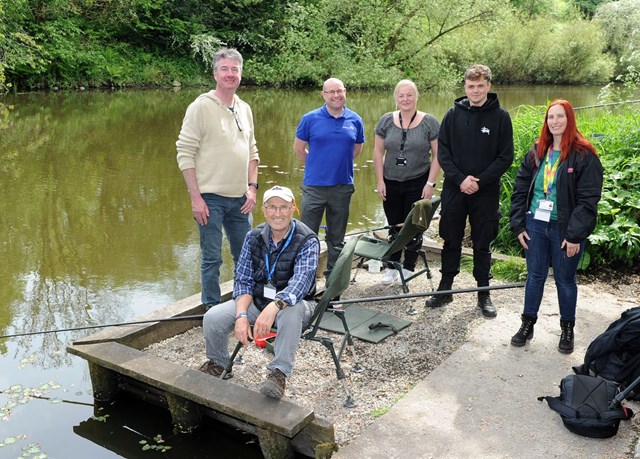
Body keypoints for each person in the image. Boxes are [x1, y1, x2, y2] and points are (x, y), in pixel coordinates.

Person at [200, 185, 319, 399]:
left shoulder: (307, 240)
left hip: (297, 304)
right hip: (258, 300)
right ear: (263, 210)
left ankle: (278, 373)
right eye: (272, 207)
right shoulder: (252, 236)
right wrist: (241, 315)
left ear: (293, 209)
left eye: (283, 207)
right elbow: (243, 280)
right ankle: (219, 363)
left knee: (291, 312)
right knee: (212, 317)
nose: (277, 213)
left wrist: (274, 306)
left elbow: (300, 283)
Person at [509, 100, 603, 353]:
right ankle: (527, 324)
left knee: (565, 280)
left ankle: (567, 329)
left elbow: (588, 200)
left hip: (565, 229)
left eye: (560, 116)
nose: (555, 121)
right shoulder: (537, 152)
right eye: (551, 117)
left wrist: (574, 235)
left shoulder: (584, 155)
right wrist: (518, 225)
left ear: (569, 119)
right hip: (535, 225)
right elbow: (520, 190)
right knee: (535, 276)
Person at [426, 64, 514, 317]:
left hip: (485, 191)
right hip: (455, 188)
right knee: (450, 239)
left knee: (482, 242)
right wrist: (461, 179)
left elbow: (505, 156)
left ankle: (483, 293)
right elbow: (443, 153)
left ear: (489, 86)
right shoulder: (452, 115)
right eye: (471, 86)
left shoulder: (501, 117)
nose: (475, 91)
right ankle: (445, 289)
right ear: (465, 87)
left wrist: (480, 181)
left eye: (480, 86)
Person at [176, 47, 260, 309]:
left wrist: (252, 188)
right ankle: (211, 309)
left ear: (241, 74)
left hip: (241, 199)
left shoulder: (244, 108)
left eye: (235, 69)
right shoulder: (200, 107)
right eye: (224, 69)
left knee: (246, 257)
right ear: (215, 74)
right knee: (212, 258)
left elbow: (253, 151)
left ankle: (243, 306)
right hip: (209, 199)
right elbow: (184, 153)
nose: (230, 74)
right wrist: (196, 198)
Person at [293, 77, 365, 277]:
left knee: (336, 239)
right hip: (314, 187)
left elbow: (356, 150)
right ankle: (305, 279)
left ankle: (333, 281)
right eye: (331, 92)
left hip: (342, 187)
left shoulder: (355, 120)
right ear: (323, 94)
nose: (336, 95)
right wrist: (316, 164)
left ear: (345, 92)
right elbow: (299, 149)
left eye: (339, 91)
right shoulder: (310, 119)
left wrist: (337, 164)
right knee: (306, 237)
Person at [373, 79, 441, 285]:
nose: (405, 99)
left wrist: (430, 184)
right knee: (394, 226)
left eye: (409, 95)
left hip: (418, 182)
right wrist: (380, 181)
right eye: (401, 95)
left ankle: (409, 266)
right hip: (390, 182)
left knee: (414, 226)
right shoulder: (386, 121)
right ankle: (392, 266)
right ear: (396, 98)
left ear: (416, 96)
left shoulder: (429, 122)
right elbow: (377, 152)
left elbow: (438, 155)